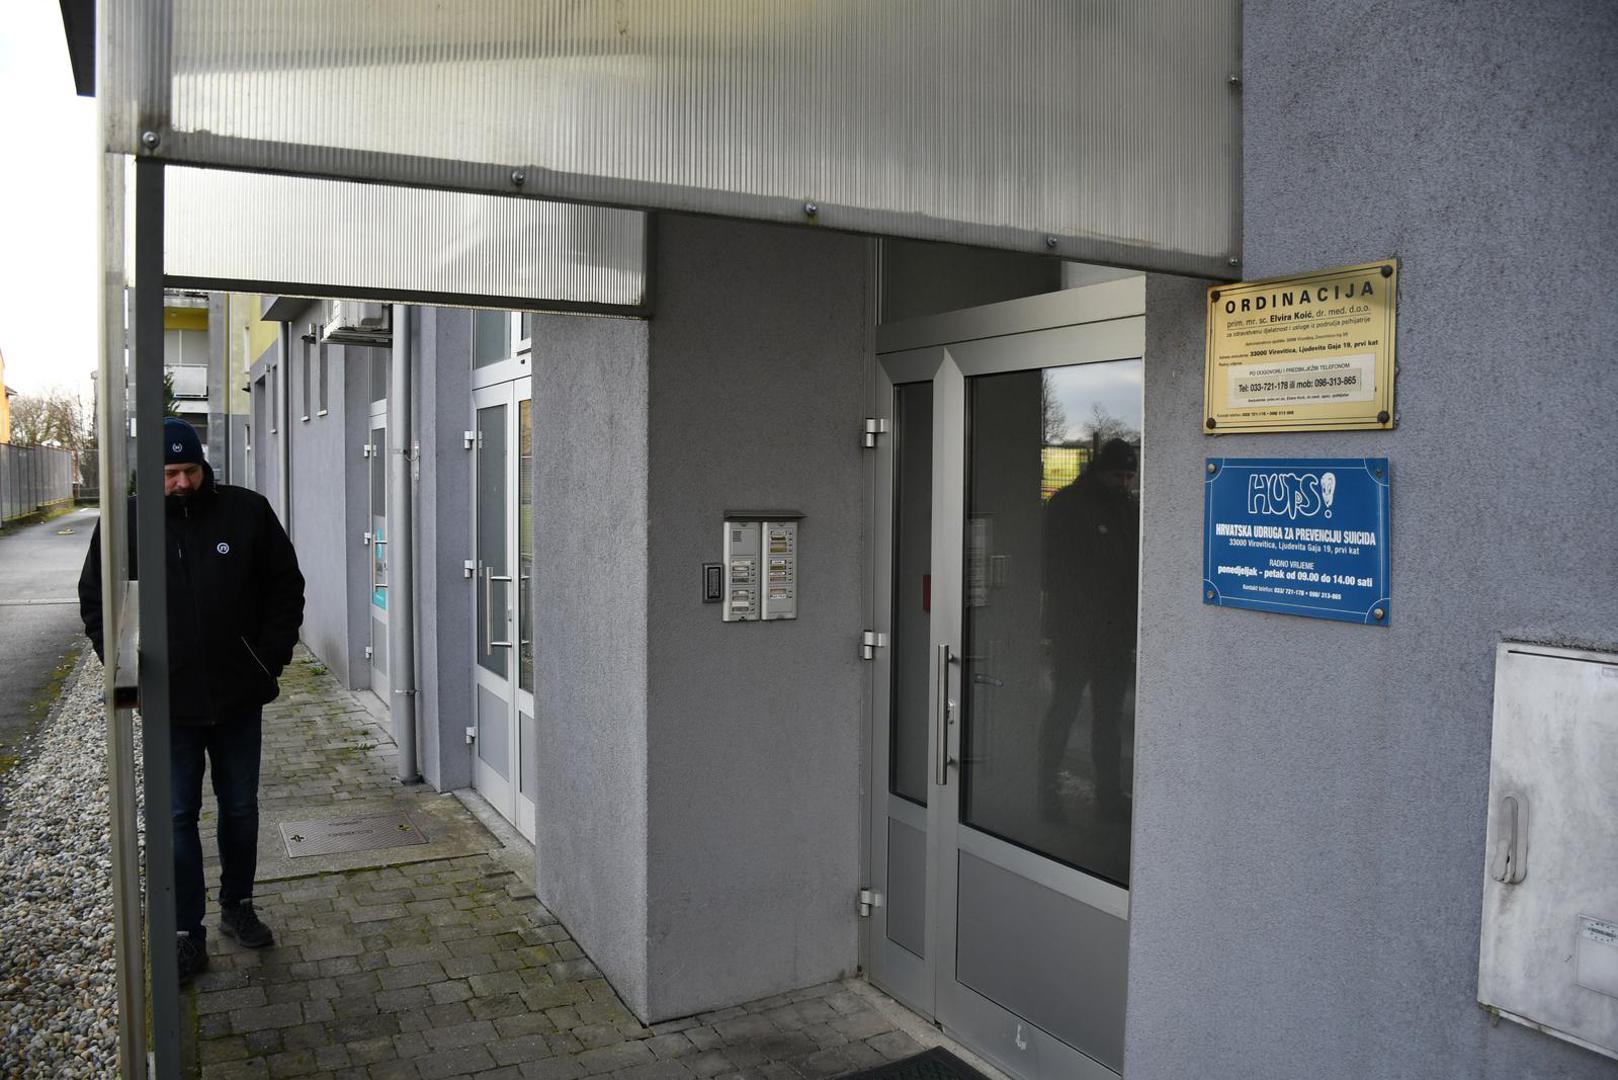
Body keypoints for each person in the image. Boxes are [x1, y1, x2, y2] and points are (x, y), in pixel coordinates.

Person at [79, 417, 304, 983]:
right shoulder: (127, 524)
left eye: (190, 470)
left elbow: (285, 586)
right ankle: (185, 932)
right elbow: (96, 600)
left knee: (240, 808)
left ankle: (238, 905)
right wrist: (126, 670)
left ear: (204, 467)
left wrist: (267, 661)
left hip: (237, 699)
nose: (182, 482)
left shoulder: (246, 512)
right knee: (177, 816)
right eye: (170, 473)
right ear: (149, 473)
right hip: (169, 704)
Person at [1038, 437, 1140, 827]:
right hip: (1076, 633)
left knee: (1108, 720)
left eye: (1129, 476)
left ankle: (1109, 796)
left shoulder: (1127, 509)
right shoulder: (1067, 505)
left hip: (1113, 635)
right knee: (1064, 709)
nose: (1125, 482)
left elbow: (1134, 570)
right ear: (1101, 471)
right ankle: (1045, 791)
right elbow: (1052, 571)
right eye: (1119, 475)